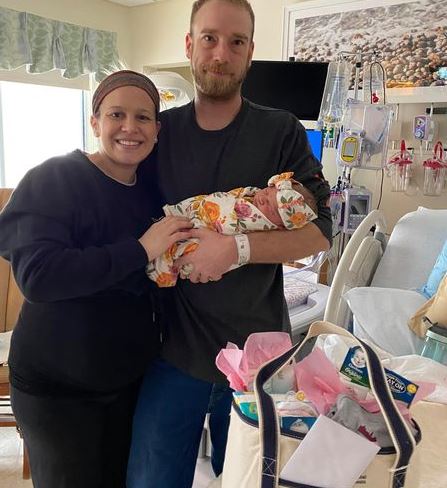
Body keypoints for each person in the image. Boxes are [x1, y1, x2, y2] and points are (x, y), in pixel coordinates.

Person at [127, 1, 332, 487]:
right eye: (210, 38)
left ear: (250, 52)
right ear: (189, 44)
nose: (221, 53)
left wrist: (236, 248)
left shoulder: (280, 131)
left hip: (257, 357)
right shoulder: (159, 134)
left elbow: (321, 231)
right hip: (172, 350)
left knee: (249, 479)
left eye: (236, 42)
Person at [0, 70, 192, 488]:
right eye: (116, 114)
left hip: (127, 382)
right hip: (57, 390)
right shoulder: (53, 179)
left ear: (157, 130)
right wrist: (140, 249)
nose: (129, 127)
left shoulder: (152, 192)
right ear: (95, 122)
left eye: (143, 117)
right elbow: (39, 276)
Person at [148, 171, 318, 287]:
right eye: (267, 192)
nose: (262, 199)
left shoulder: (261, 225)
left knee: (181, 249)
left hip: (213, 251)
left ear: (281, 226)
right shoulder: (252, 195)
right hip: (181, 308)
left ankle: (162, 264)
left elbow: (321, 233)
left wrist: (234, 247)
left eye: (272, 208)